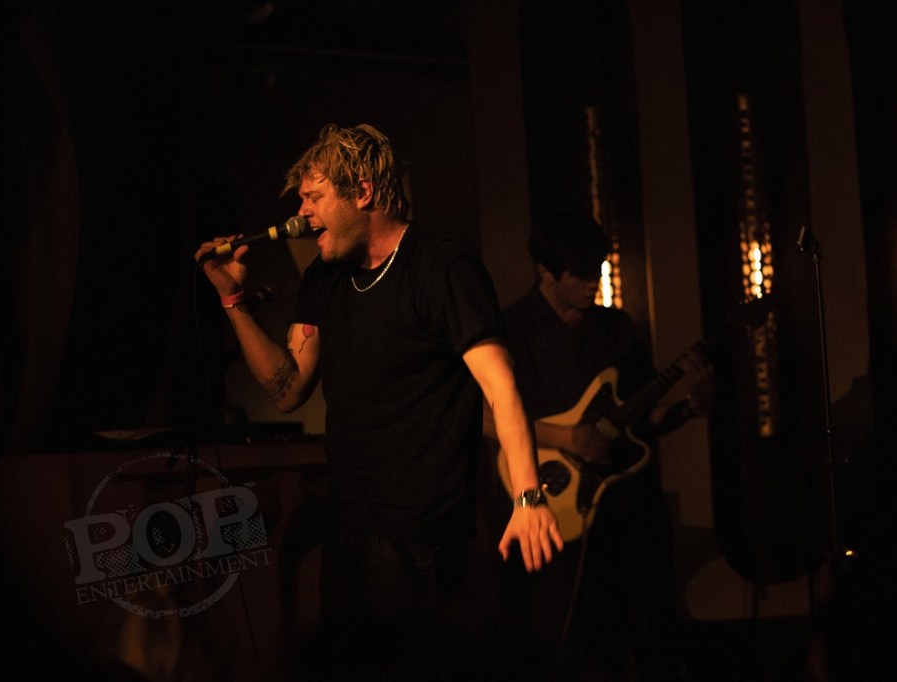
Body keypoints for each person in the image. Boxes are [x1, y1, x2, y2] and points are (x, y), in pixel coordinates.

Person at [194, 123, 563, 674]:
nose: (302, 212)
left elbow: (500, 385)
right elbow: (288, 388)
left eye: (315, 196)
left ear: (363, 192)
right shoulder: (325, 277)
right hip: (347, 523)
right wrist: (233, 302)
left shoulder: (441, 269)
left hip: (419, 533)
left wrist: (528, 497)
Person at [484, 212, 714, 680]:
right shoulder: (510, 329)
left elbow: (639, 420)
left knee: (636, 624)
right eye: (581, 273)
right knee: (556, 634)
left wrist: (691, 407)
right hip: (547, 503)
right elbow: (484, 418)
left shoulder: (615, 328)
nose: (594, 282)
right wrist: (567, 437)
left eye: (598, 270)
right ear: (546, 271)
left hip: (618, 509)